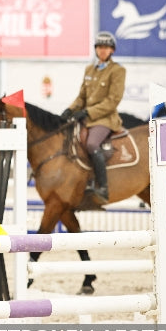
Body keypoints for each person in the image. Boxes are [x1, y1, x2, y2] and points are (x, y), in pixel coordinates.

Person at [60, 31, 126, 203]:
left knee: (91, 144)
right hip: (86, 118)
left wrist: (88, 112)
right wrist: (70, 109)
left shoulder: (118, 70)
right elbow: (82, 96)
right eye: (99, 47)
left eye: (106, 47)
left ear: (112, 50)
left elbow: (113, 101)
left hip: (105, 119)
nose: (102, 50)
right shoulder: (89, 69)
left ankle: (102, 186)